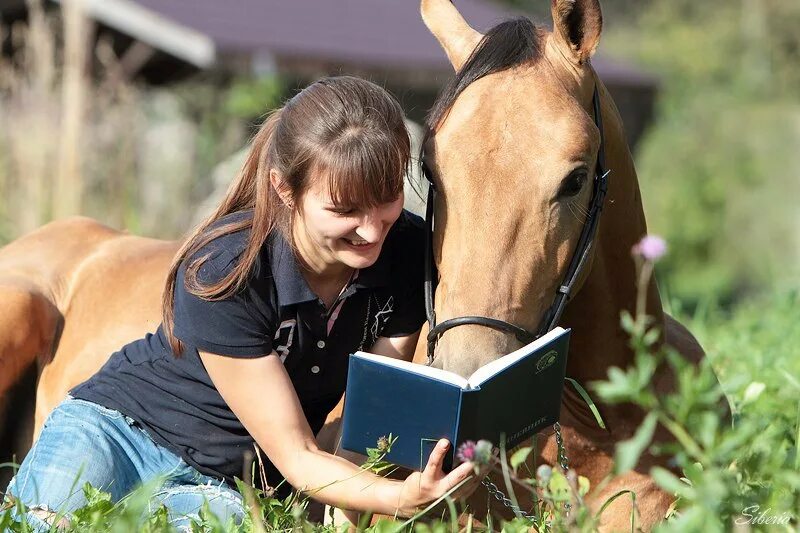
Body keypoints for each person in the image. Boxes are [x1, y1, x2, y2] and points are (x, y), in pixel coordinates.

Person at [2, 76, 481, 531]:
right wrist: (397, 498)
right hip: (117, 435)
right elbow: (297, 456)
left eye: (388, 198)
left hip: (226, 485)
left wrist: (346, 519)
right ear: (284, 188)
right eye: (344, 210)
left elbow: (368, 415)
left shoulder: (404, 255)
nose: (373, 229)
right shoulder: (226, 271)